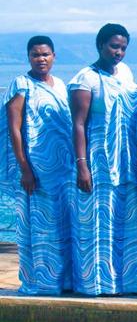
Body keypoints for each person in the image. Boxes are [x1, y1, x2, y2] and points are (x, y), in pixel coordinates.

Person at [68, 23, 137, 295]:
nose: (119, 52)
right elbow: (78, 124)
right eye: (114, 46)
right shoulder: (84, 78)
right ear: (100, 45)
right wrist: (82, 165)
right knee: (97, 222)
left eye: (123, 47)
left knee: (125, 220)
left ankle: (127, 282)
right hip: (97, 161)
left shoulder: (124, 72)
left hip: (127, 159)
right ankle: (95, 284)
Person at [0, 36, 74, 295]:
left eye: (45, 54)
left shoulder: (61, 85)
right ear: (28, 57)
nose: (41, 59)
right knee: (40, 227)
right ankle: (41, 282)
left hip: (63, 171)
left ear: (54, 56)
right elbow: (14, 128)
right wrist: (25, 168)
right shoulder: (21, 85)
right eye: (35, 55)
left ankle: (62, 280)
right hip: (37, 171)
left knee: (62, 226)